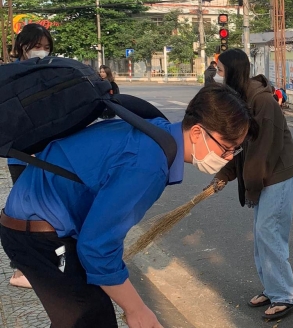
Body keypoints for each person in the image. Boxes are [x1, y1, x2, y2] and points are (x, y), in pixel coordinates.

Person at [0, 85, 254, 328]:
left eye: (235, 150)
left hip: (38, 219)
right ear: (197, 133)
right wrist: (136, 310)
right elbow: (97, 246)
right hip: (37, 235)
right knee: (90, 318)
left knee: (83, 315)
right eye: (227, 148)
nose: (228, 157)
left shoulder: (156, 130)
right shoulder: (149, 165)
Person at [213, 49, 293, 321]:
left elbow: (262, 151)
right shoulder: (241, 99)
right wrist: (225, 174)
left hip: (276, 174)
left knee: (268, 232)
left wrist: (251, 185)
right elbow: (240, 145)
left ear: (233, 71)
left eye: (220, 70)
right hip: (262, 174)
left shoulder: (262, 101)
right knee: (261, 234)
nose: (218, 75)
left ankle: (285, 295)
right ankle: (273, 288)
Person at [6, 23, 54, 289]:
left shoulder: (48, 73)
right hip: (22, 155)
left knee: (45, 210)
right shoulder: (10, 75)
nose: (42, 51)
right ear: (22, 46)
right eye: (37, 46)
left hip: (46, 153)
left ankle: (39, 265)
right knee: (25, 210)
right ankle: (20, 269)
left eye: (46, 47)